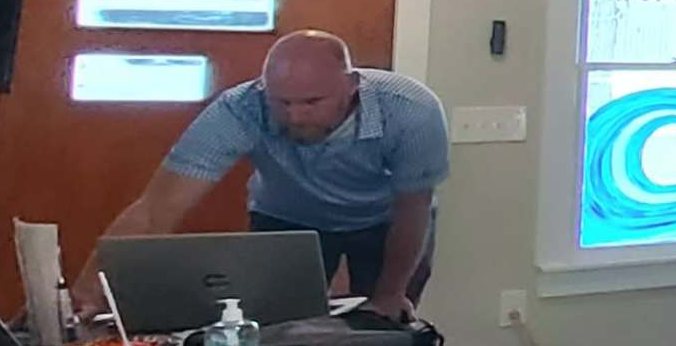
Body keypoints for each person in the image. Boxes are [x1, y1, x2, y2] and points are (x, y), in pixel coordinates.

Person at [94, 31, 450, 320]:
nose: (295, 117)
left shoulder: (410, 110)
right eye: (282, 103)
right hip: (287, 214)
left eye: (312, 102)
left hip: (385, 220)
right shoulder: (240, 108)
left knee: (386, 322)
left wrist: (390, 294)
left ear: (351, 85)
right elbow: (156, 208)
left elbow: (413, 207)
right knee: (276, 326)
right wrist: (89, 295)